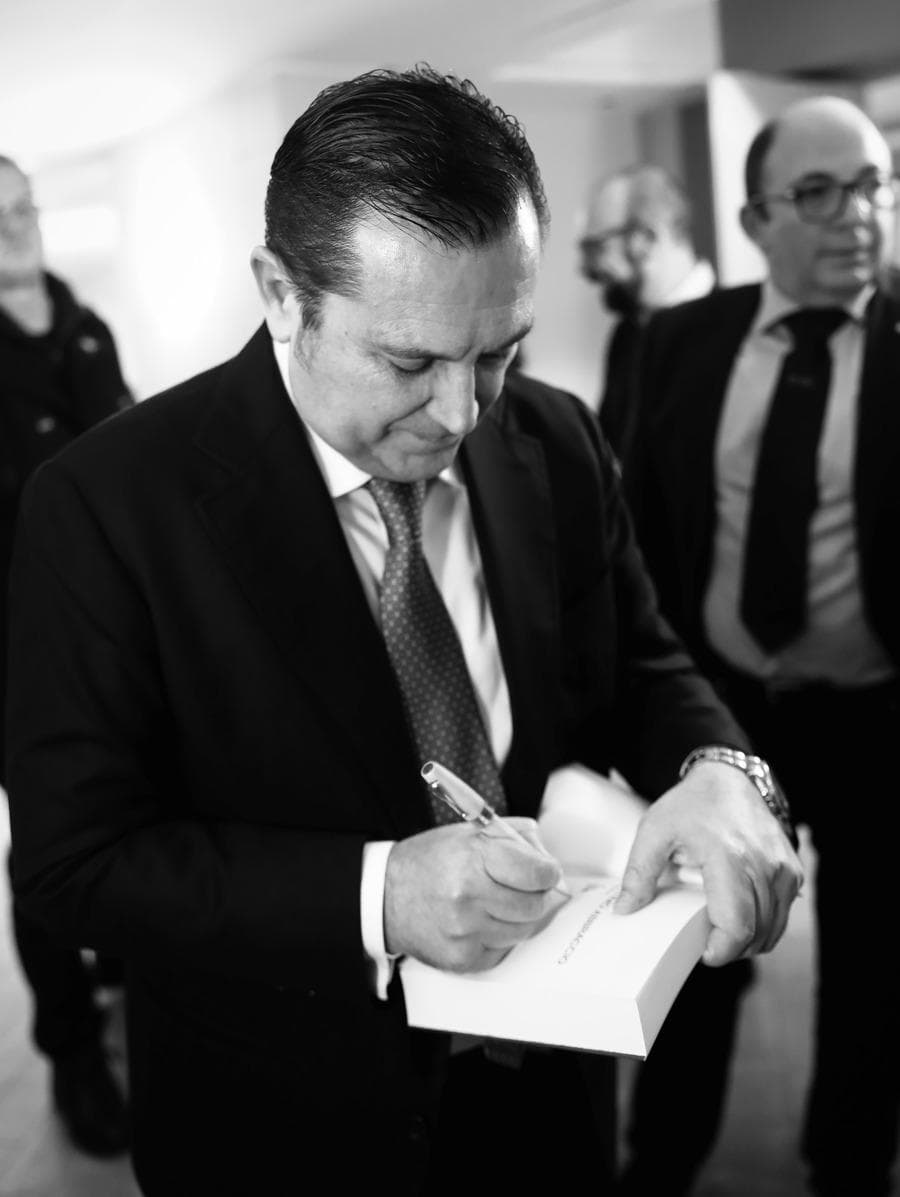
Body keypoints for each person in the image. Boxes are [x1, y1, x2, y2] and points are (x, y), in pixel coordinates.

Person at [5, 67, 802, 1197]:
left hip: (552, 1095)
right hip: (282, 1122)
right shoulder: (107, 505)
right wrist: (377, 896)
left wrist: (719, 765)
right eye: (410, 362)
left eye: (501, 349)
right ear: (283, 295)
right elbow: (73, 862)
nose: (463, 412)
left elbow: (639, 660)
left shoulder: (558, 442)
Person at [624, 95, 900, 1197]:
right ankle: (659, 1165)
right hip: (728, 719)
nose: (857, 215)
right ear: (754, 220)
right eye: (819, 192)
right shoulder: (682, 343)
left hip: (878, 715)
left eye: (873, 185)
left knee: (875, 965)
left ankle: (848, 1168)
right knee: (703, 949)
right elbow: (641, 533)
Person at [0, 153, 132, 1157]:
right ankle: (75, 1055)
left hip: (119, 638)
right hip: (17, 653)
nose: (17, 226)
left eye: (23, 206)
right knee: (48, 852)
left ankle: (133, 978)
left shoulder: (89, 327)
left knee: (139, 818)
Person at [578, 165, 715, 461]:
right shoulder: (626, 334)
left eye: (598, 246)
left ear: (647, 239)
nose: (586, 269)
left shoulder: (728, 332)